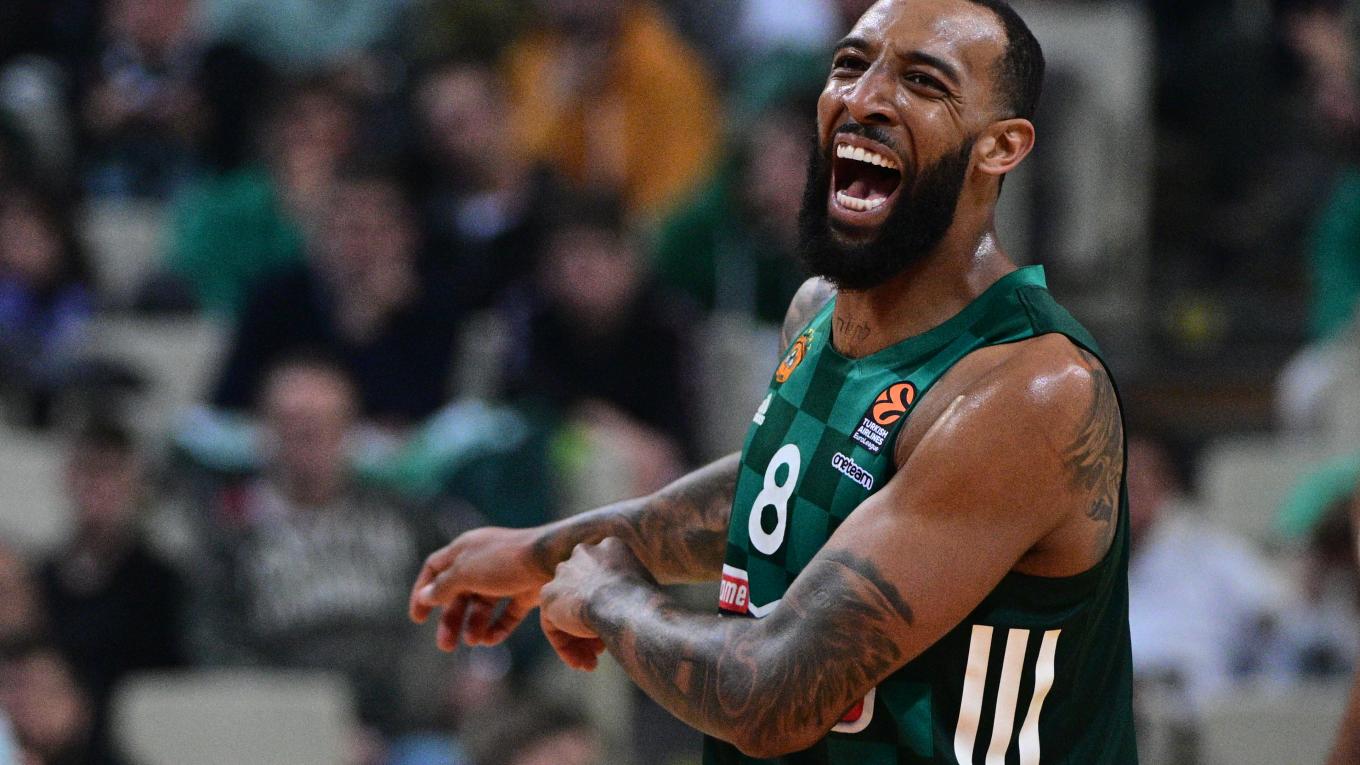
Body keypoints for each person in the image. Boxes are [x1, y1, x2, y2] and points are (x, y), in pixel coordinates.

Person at [412, 1, 1135, 763]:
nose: (865, 98)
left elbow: (774, 698)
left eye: (923, 81)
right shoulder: (818, 311)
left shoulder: (1031, 390)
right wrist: (544, 553)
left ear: (1001, 145)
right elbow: (777, 491)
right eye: (850, 65)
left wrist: (605, 594)